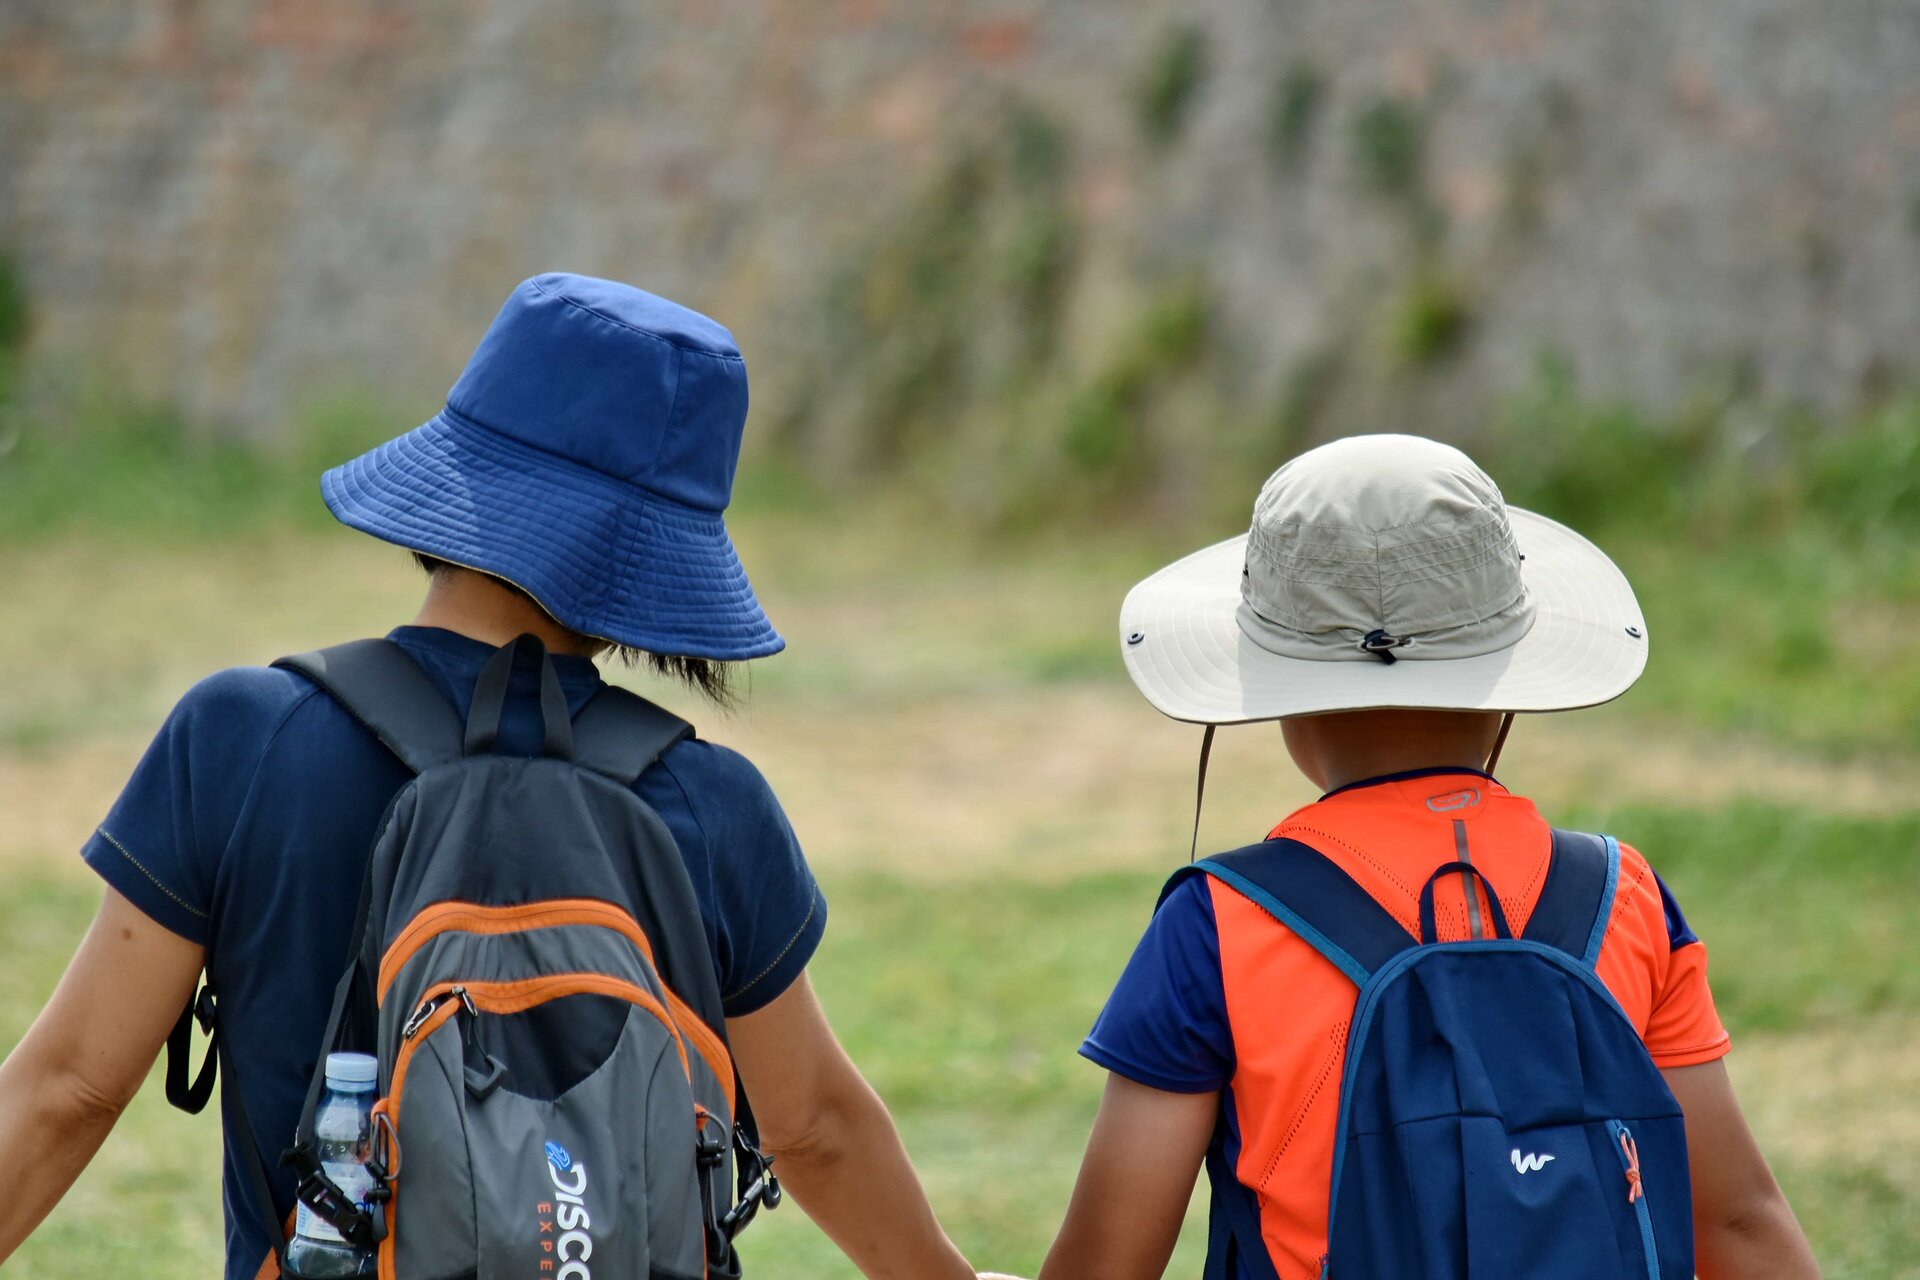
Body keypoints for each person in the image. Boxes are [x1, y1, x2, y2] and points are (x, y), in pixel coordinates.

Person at [0, 273, 977, 1280]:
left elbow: (71, 1087)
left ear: (462, 476)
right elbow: (813, 1126)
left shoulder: (245, 737)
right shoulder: (711, 803)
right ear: (654, 559)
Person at [1026, 435, 1821, 1279]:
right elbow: (1736, 1219)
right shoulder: (1622, 894)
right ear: (1505, 680)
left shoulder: (1219, 923)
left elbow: (1109, 1261)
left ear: (1283, 698)